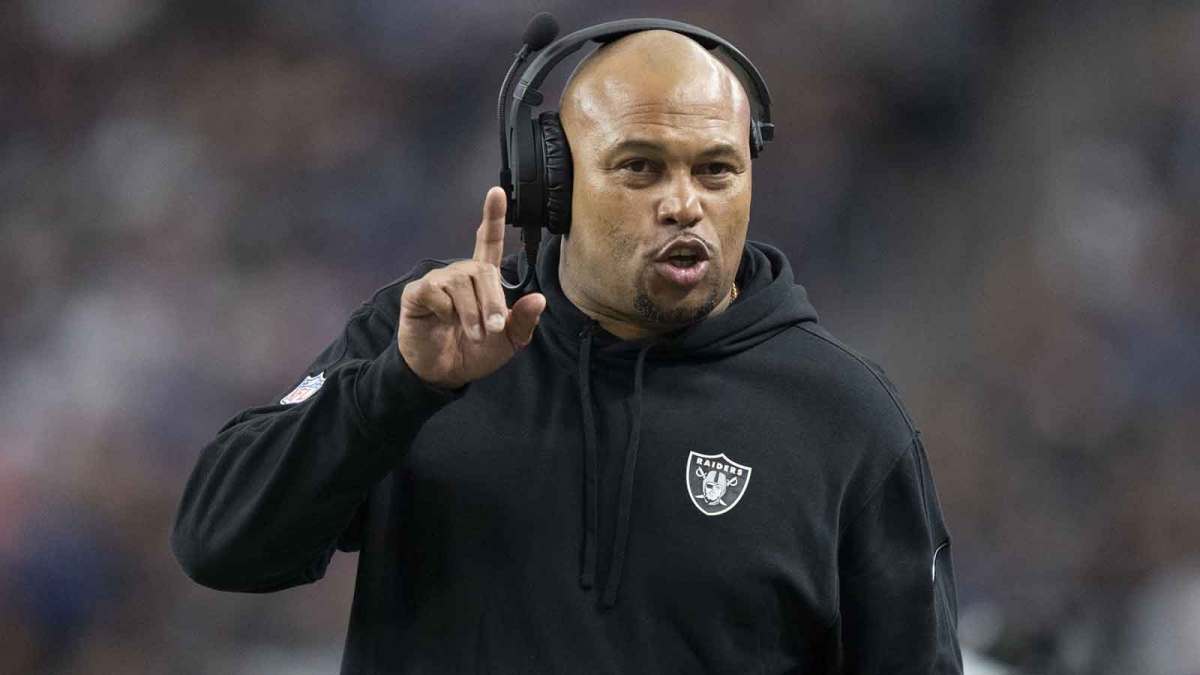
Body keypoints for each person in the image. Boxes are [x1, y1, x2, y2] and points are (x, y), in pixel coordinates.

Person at [171, 26, 963, 674]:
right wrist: (397, 388)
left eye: (716, 170)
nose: (684, 203)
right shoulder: (427, 338)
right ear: (552, 182)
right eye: (640, 167)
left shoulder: (847, 419)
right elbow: (219, 543)